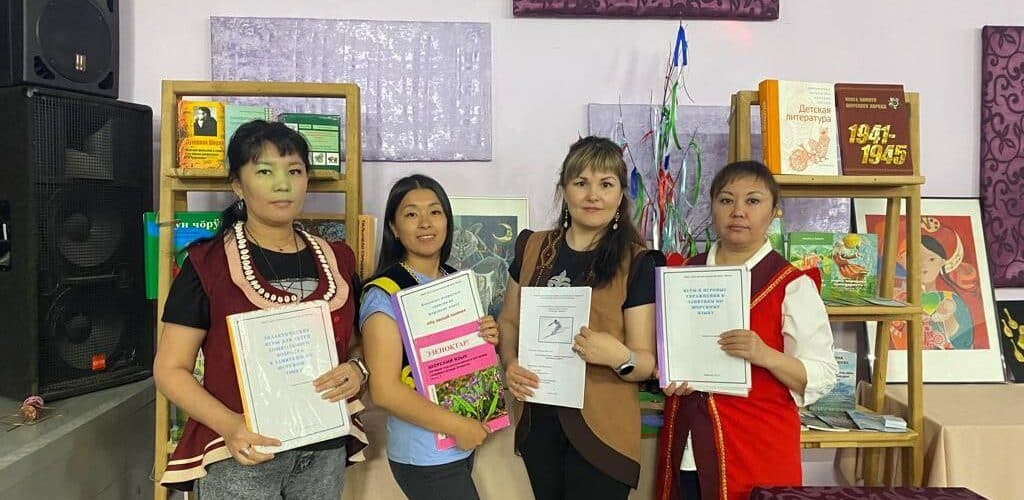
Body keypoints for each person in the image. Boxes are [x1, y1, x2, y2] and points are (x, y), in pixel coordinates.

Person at [154, 120, 368, 498]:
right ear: (238, 185)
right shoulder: (208, 264)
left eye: (294, 171)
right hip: (242, 455)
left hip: (324, 452)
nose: (282, 184)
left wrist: (357, 369)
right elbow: (170, 369)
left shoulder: (338, 259)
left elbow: (356, 344)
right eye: (265, 171)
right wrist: (230, 425)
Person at [655, 160, 838, 500]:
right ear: (712, 207)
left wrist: (765, 355)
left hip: (757, 448)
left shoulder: (792, 285)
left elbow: (823, 375)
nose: (738, 211)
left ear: (774, 212)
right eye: (726, 200)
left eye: (753, 200)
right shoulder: (683, 273)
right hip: (688, 443)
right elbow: (668, 350)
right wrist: (666, 372)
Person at [498, 136, 664, 500]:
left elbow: (645, 362)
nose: (593, 195)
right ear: (564, 189)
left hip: (603, 431)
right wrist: (510, 363)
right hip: (539, 422)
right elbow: (509, 321)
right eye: (581, 183)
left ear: (620, 195)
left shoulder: (637, 262)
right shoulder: (531, 247)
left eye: (606, 184)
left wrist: (618, 356)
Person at [359, 174, 501, 500]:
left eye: (435, 212)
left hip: (461, 444)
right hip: (424, 454)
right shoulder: (383, 293)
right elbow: (383, 390)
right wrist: (458, 426)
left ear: (447, 221)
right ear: (394, 228)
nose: (425, 223)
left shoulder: (455, 280)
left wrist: (485, 338)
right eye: (411, 214)